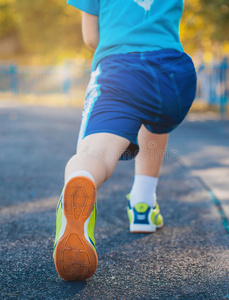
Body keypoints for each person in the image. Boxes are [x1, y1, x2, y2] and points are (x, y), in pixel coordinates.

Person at [53, 0, 197, 281]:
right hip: (174, 75)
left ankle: (81, 180)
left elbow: (91, 38)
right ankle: (143, 205)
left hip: (120, 70)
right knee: (154, 118)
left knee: (96, 153)